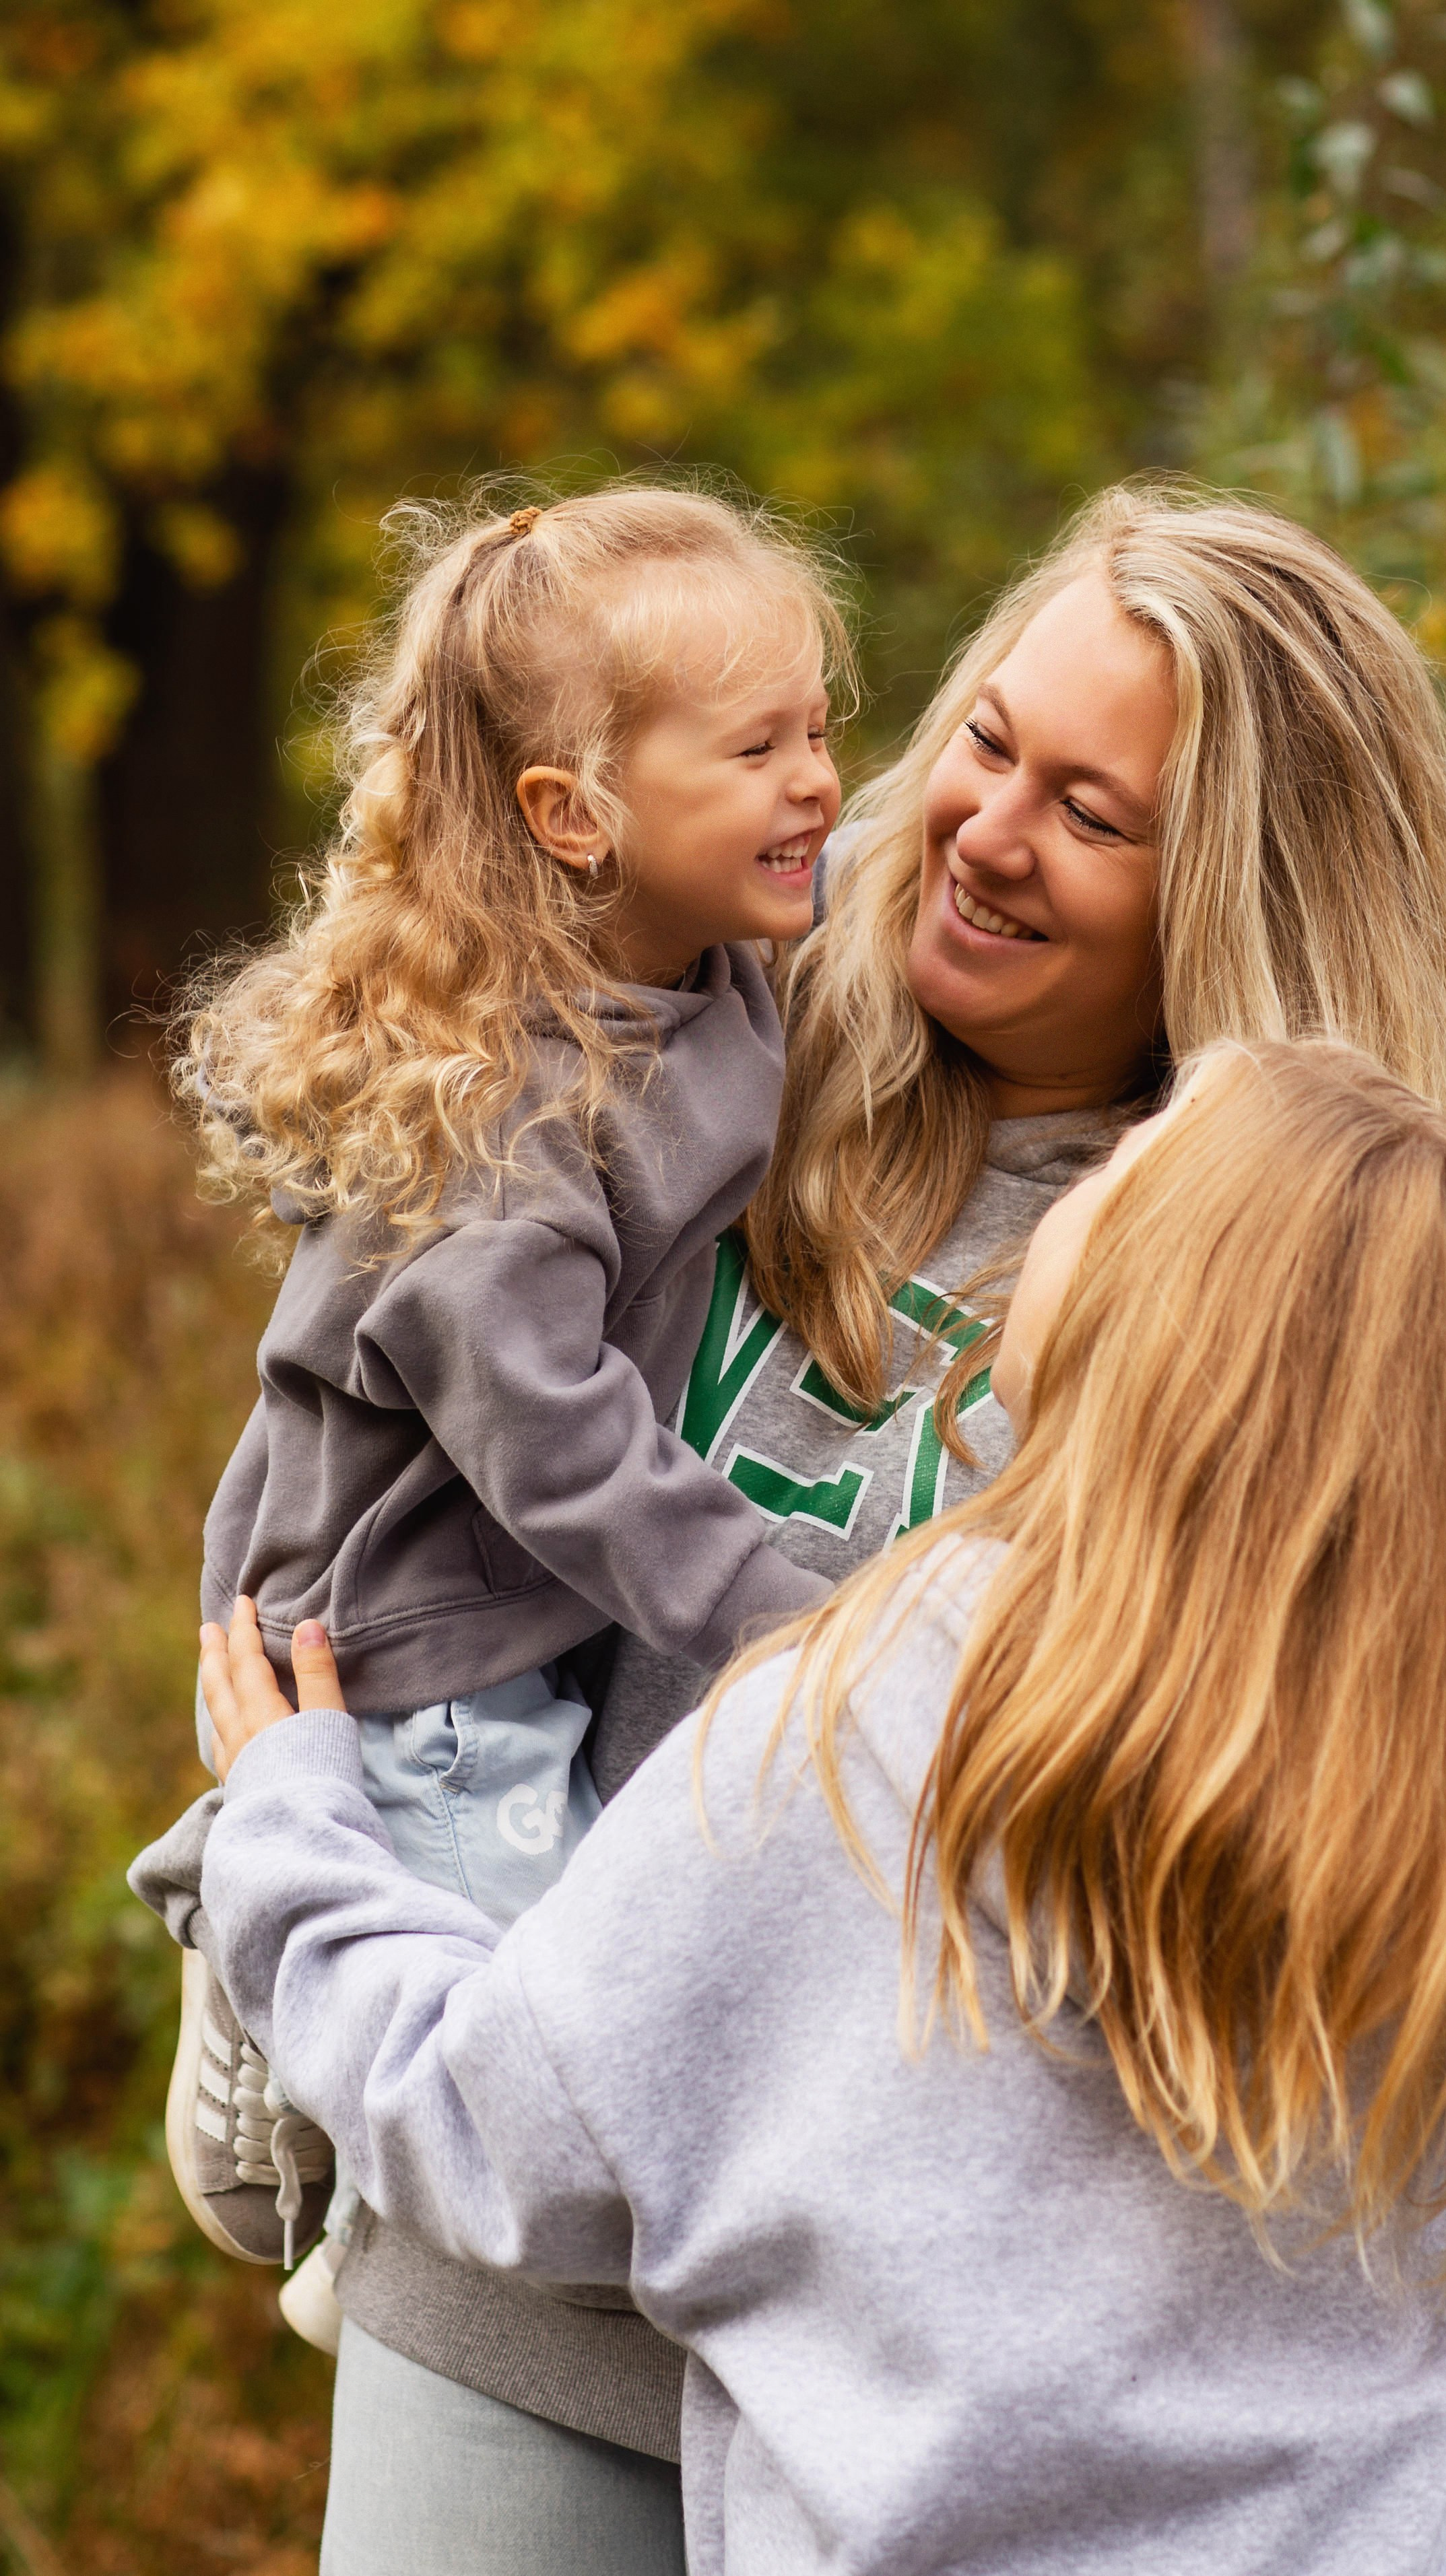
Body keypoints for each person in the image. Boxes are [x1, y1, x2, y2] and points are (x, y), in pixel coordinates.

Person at [143, 481, 1446, 2571]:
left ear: (1232, 895)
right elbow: (409, 1433)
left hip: (889, 2359)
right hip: (526, 2271)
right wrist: (292, 1860)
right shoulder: (739, 1033)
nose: (980, 825)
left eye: (1093, 810)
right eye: (983, 739)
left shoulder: (1259, 1306)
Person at [195, 1037, 1446, 2576]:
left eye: (1125, 1168)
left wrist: (291, 1833)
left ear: (1173, 1309)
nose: (1073, 1189)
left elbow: (489, 2121)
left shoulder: (901, 1697)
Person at [128, 481, 849, 2297]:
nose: (822, 783)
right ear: (574, 812)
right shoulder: (506, 1122)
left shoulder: (722, 961)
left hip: (529, 1627)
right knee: (520, 2049)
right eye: (759, 745)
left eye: (825, 726)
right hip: (419, 1650)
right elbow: (569, 1455)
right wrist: (799, 1622)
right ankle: (289, 2075)